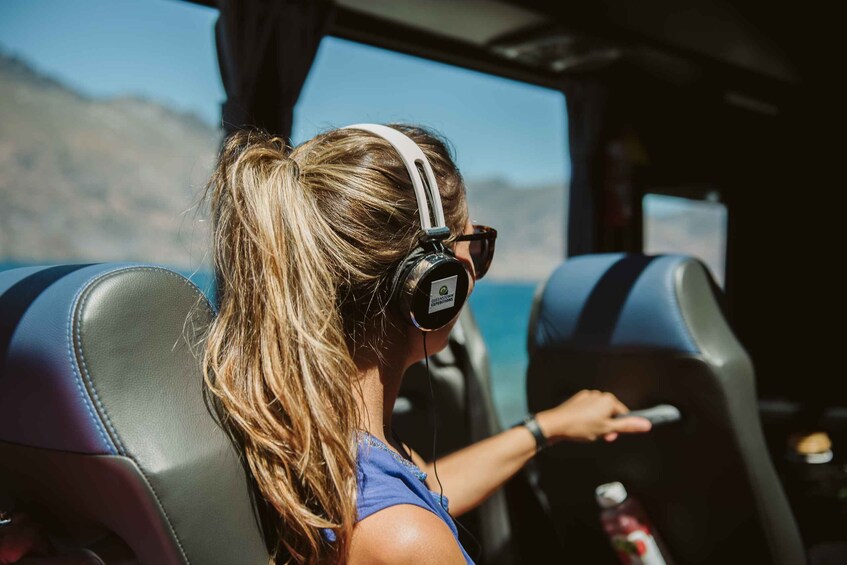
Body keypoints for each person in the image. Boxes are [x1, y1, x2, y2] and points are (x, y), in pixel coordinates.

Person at [200, 124, 652, 564]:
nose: (474, 273)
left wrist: (544, 428)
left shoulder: (307, 431)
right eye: (473, 249)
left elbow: (429, 491)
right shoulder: (407, 540)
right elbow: (408, 520)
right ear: (436, 280)